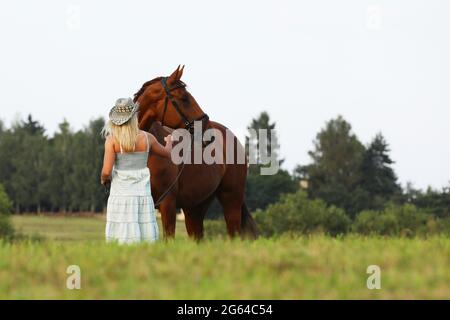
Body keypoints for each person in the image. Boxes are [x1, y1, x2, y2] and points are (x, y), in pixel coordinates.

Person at [101, 97, 173, 244]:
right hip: (142, 195)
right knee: (143, 232)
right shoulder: (148, 138)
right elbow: (168, 153)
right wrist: (169, 142)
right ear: (134, 117)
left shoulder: (112, 141)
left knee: (121, 235)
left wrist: (104, 180)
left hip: (121, 196)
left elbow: (106, 171)